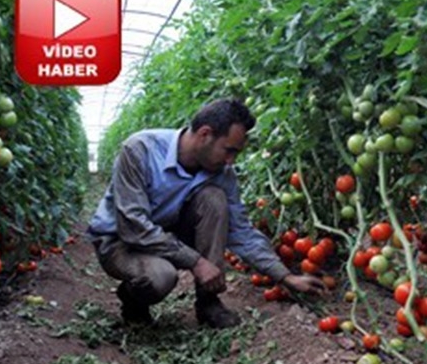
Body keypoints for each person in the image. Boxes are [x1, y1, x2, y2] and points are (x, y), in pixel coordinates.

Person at [87, 98, 326, 328]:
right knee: (160, 277)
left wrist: (285, 277)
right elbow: (134, 226)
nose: (231, 161)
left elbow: (240, 231)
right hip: (120, 241)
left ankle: (208, 302)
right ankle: (132, 299)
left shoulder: (222, 174)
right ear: (204, 134)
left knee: (214, 198)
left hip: (166, 233)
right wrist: (195, 261)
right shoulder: (140, 149)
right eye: (228, 150)